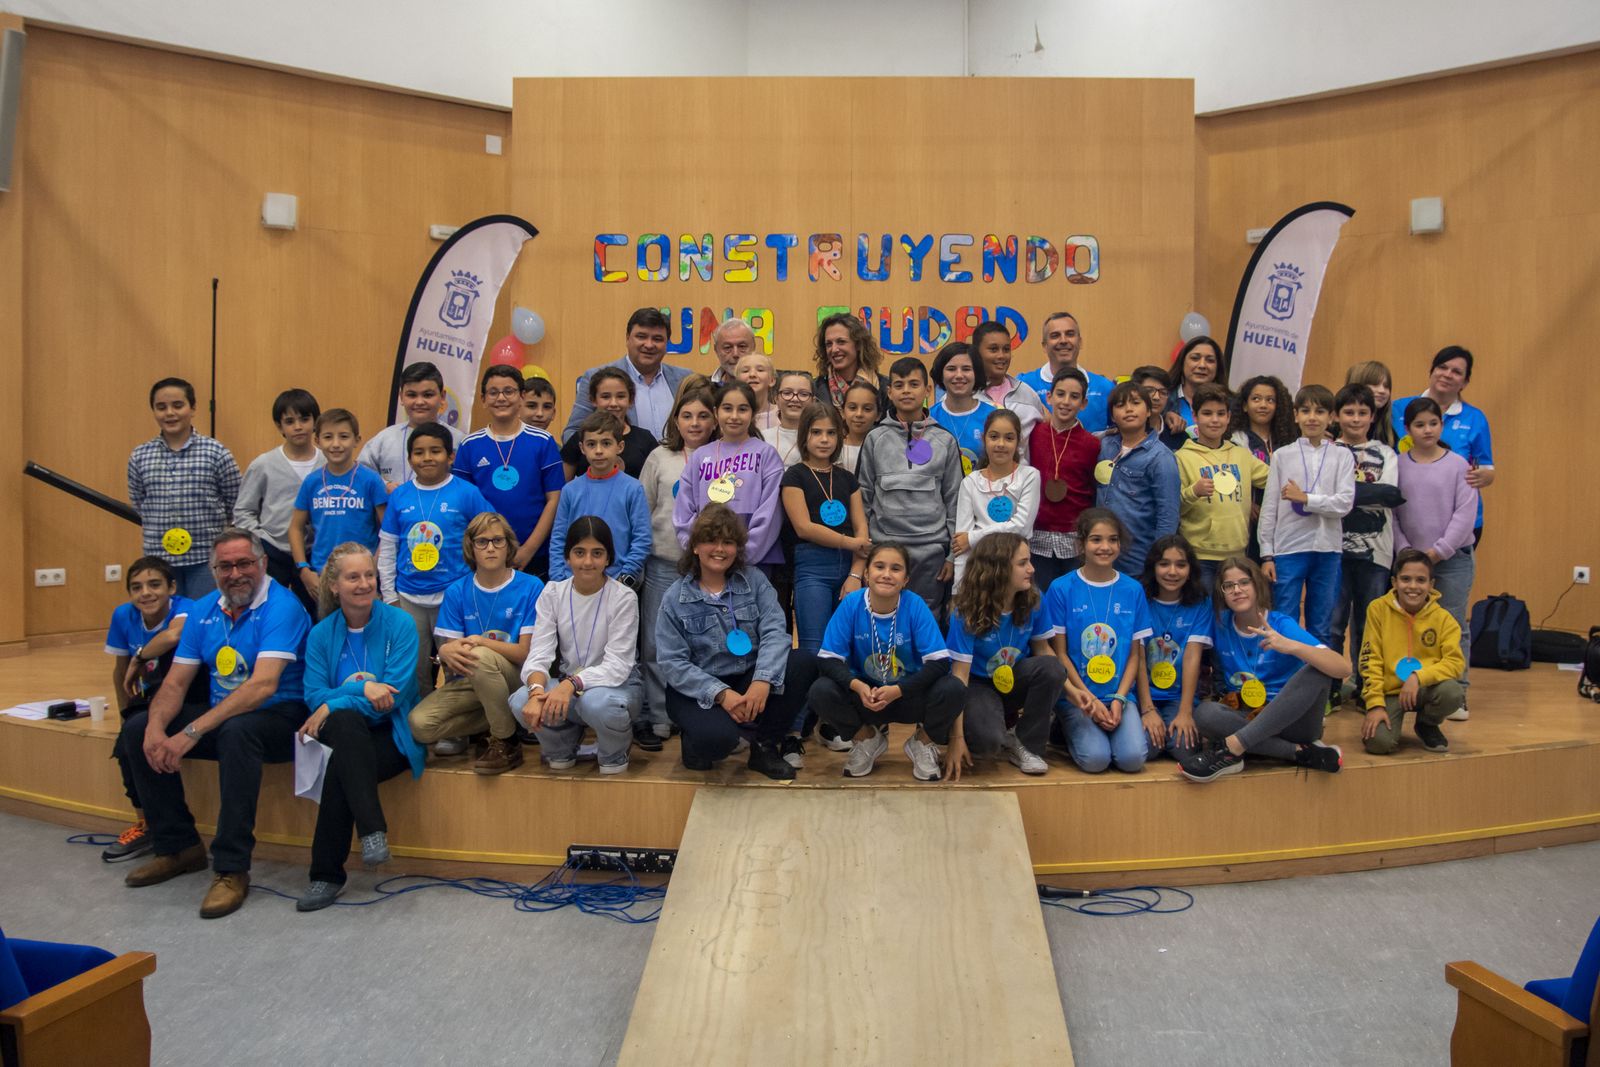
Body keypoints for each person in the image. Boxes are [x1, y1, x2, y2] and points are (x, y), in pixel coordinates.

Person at [119, 529, 312, 919]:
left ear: (261, 564)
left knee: (238, 733)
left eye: (244, 563)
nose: (235, 573)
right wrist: (158, 728)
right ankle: (178, 847)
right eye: (225, 566)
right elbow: (175, 682)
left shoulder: (282, 606)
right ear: (213, 570)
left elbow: (262, 686)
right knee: (137, 728)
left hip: (280, 715)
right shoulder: (205, 609)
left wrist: (191, 732)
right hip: (221, 716)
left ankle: (231, 868)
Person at [294, 542, 426, 912]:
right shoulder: (321, 634)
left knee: (343, 759)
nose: (365, 583)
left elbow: (395, 697)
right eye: (353, 577)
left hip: (391, 735)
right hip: (346, 733)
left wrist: (338, 699)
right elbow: (312, 695)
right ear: (334, 585)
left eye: (370, 575)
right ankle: (372, 831)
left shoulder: (399, 623)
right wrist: (363, 689)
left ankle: (325, 875)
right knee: (347, 726)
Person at [656, 505, 814, 779]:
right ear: (695, 546)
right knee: (717, 743)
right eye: (711, 540)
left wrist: (762, 681)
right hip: (696, 691)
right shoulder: (674, 598)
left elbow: (776, 632)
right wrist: (721, 694)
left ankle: (764, 748)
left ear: (738, 548)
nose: (719, 549)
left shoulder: (755, 581)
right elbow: (673, 663)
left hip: (748, 676)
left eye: (728, 542)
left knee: (804, 662)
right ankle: (695, 738)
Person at [1181, 556, 1350, 783]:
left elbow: (1343, 667)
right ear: (1222, 593)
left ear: (1257, 585)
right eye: (1228, 586)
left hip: (1292, 721)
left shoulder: (1281, 624)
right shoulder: (1220, 623)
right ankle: (1299, 752)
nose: (1237, 590)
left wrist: (1292, 646)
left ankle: (1234, 747)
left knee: (1318, 670)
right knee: (1205, 713)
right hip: (1247, 716)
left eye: (1244, 582)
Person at [809, 543, 965, 780]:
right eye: (879, 566)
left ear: (906, 580)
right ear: (866, 574)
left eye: (896, 569)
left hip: (907, 694)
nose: (886, 574)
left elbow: (939, 662)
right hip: (866, 696)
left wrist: (899, 690)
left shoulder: (914, 605)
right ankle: (867, 740)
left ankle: (922, 743)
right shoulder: (851, 604)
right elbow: (828, 660)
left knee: (953, 688)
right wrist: (857, 686)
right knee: (820, 690)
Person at [406, 512, 543, 771]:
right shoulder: (457, 591)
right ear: (471, 547)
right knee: (419, 724)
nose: (490, 548)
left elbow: (525, 653)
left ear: (508, 545)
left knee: (479, 657)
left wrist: (480, 642)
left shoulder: (531, 586)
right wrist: (446, 651)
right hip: (471, 678)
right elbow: (452, 653)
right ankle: (496, 721)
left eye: (497, 541)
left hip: (516, 679)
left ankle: (505, 741)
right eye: (482, 542)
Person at [511, 517, 643, 774]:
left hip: (616, 688)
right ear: (567, 557)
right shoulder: (552, 593)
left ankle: (615, 751)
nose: (587, 562)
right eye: (579, 552)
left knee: (595, 703)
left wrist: (570, 684)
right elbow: (539, 654)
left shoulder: (623, 597)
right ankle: (562, 745)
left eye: (597, 553)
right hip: (569, 689)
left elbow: (618, 666)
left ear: (608, 559)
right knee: (520, 700)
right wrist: (538, 692)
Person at [101, 557, 207, 863]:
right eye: (136, 587)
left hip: (188, 694)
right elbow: (121, 672)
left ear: (172, 587)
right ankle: (146, 822)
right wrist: (124, 713)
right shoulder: (123, 616)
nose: (145, 593)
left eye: (154, 584)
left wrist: (140, 655)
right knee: (127, 744)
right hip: (148, 699)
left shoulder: (186, 607)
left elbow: (174, 636)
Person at [377, 423, 493, 699]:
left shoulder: (466, 493)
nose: (427, 458)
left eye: (435, 451)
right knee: (413, 668)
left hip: (453, 596)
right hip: (407, 598)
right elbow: (389, 548)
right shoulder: (400, 496)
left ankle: (455, 733)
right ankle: (420, 726)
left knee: (457, 665)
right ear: (409, 459)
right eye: (418, 452)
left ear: (450, 456)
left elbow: (491, 533)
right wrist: (390, 596)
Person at [944, 534, 1066, 780]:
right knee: (987, 745)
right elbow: (959, 678)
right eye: (1022, 563)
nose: (1031, 569)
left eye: (1029, 561)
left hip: (1014, 678)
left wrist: (1076, 693)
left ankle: (1027, 744)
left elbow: (1045, 652)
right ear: (998, 568)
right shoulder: (966, 610)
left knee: (1052, 668)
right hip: (977, 685)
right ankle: (991, 728)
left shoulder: (1033, 598)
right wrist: (955, 739)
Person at [638, 381, 717, 751]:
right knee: (655, 643)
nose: (695, 423)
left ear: (715, 420)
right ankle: (659, 715)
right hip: (664, 564)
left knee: (703, 645)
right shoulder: (659, 458)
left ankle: (697, 712)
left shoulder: (724, 458)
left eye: (703, 415)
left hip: (709, 570)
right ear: (676, 420)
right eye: (687, 416)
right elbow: (643, 510)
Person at [1045, 508, 1152, 774]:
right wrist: (1089, 699)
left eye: (1112, 539)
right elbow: (1060, 654)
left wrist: (1119, 698)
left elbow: (1135, 656)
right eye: (1096, 539)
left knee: (1133, 759)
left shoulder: (1133, 590)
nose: (1105, 547)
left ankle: (1114, 720)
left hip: (1118, 694)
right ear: (1081, 544)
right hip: (1079, 696)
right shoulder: (1061, 588)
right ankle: (1062, 726)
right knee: (1096, 760)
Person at [1392, 396, 1479, 719]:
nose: (1427, 430)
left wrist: (1436, 552)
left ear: (1441, 426)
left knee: (1453, 624)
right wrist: (1407, 554)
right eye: (1419, 424)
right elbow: (1395, 515)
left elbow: (1464, 514)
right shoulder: (1399, 465)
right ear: (1408, 428)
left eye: (1433, 423)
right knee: (1408, 626)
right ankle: (1408, 689)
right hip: (1411, 561)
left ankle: (1458, 692)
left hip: (1452, 559)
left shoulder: (1458, 465)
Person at [856, 357, 963, 618]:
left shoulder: (945, 440)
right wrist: (866, 551)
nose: (906, 390)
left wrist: (951, 557)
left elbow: (955, 502)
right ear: (889, 392)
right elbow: (863, 497)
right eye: (899, 385)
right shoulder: (875, 438)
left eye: (914, 384)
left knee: (927, 618)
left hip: (932, 553)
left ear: (928, 390)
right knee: (881, 615)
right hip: (885, 548)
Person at [1258, 385, 1355, 652]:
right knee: (1284, 622)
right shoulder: (1282, 456)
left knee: (1321, 624)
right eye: (1306, 411)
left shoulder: (1342, 456)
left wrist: (1307, 499)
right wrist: (1267, 554)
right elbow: (1270, 509)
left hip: (1328, 549)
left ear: (1331, 417)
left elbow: (1344, 503)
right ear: (1295, 415)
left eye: (1320, 411)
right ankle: (1283, 686)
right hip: (1289, 548)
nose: (1313, 417)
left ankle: (1317, 690)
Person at [129, 377, 243, 600]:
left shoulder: (216, 452)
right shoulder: (140, 456)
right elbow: (139, 503)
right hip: (159, 559)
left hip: (206, 558)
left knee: (204, 621)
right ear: (153, 411)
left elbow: (235, 501)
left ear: (193, 408)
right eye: (161, 407)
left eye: (177, 405)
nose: (169, 413)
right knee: (165, 620)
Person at [455, 366, 565, 578]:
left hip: (535, 555)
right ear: (483, 399)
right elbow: (462, 504)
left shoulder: (542, 442)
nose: (501, 398)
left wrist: (528, 550)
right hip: (484, 554)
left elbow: (554, 499)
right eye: (493, 392)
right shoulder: (469, 445)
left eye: (509, 391)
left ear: (522, 396)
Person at [1331, 382, 1402, 705]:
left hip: (1377, 551)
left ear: (1373, 417)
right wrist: (1357, 495)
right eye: (1349, 412)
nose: (1356, 419)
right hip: (1332, 550)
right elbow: (1324, 496)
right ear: (1337, 415)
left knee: (1369, 623)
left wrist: (1341, 495)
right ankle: (1329, 687)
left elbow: (1391, 495)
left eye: (1362, 412)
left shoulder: (1385, 453)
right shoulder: (1329, 451)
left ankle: (1366, 686)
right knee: (1333, 623)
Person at [1358, 548, 1466, 755]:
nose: (1413, 586)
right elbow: (1369, 659)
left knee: (1452, 693)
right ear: (1394, 582)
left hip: (1424, 688)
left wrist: (1418, 677)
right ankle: (1385, 718)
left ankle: (1427, 723)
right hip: (1391, 692)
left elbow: (1455, 663)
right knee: (1378, 744)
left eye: (1420, 580)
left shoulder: (1444, 619)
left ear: (1431, 585)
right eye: (1406, 579)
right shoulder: (1377, 609)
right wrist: (1375, 705)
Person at [782, 401, 870, 655]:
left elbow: (861, 530)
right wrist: (849, 542)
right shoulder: (794, 476)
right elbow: (803, 528)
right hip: (812, 568)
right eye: (816, 432)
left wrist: (855, 575)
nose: (824, 439)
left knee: (849, 645)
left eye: (831, 433)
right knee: (814, 646)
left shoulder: (847, 478)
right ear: (804, 435)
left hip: (849, 567)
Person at [673, 381, 785, 569]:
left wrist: (743, 554)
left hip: (754, 563)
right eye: (727, 408)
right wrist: (701, 549)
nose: (734, 416)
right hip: (706, 561)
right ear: (716, 413)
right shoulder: (700, 455)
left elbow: (770, 512)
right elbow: (683, 510)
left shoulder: (766, 455)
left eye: (742, 409)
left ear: (753, 413)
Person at [234, 388, 324, 612]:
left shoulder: (327, 463)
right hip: (273, 551)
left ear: (315, 421)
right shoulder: (263, 464)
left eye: (304, 419)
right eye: (290, 421)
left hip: (315, 552)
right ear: (279, 426)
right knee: (268, 610)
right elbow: (243, 511)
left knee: (316, 611)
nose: (298, 426)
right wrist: (260, 540)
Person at [289, 409, 387, 612]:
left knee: (364, 631)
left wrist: (375, 566)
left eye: (343, 436)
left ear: (357, 440)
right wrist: (303, 569)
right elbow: (295, 528)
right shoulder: (312, 481)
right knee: (329, 633)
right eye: (328, 437)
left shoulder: (370, 480)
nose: (336, 444)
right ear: (317, 440)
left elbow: (387, 530)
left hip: (362, 575)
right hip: (322, 574)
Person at [1391, 345, 1493, 540]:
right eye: (1442, 367)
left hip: (1460, 523)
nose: (1447, 374)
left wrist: (1485, 476)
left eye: (1456, 372)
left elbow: (1487, 469)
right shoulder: (1398, 409)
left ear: (1465, 381)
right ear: (1432, 371)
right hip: (1408, 521)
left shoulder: (1475, 418)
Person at [1175, 383, 1268, 590]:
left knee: (1232, 611)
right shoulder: (1182, 457)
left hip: (1237, 553)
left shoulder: (1241, 455)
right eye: (1207, 413)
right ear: (1195, 416)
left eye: (1220, 413)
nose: (1214, 420)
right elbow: (1174, 507)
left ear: (1228, 417)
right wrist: (1193, 492)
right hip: (1199, 554)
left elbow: (1273, 480)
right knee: (1204, 610)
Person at [549, 412, 652, 587]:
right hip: (573, 582)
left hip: (617, 583)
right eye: (591, 444)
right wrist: (559, 578)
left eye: (606, 443)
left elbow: (642, 538)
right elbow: (559, 538)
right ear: (582, 448)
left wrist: (626, 576)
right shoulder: (570, 490)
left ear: (619, 447)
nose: (598, 450)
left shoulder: (633, 489)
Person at [1134, 534, 1211, 764]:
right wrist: (1147, 710)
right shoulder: (1138, 596)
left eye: (1181, 565)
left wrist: (1185, 712)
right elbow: (1136, 656)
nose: (1172, 572)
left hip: (1178, 696)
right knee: (1148, 747)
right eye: (1164, 564)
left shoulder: (1200, 602)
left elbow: (1192, 656)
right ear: (1153, 567)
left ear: (1190, 569)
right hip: (1141, 695)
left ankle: (1171, 726)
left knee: (1183, 749)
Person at [562, 307, 693, 441]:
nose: (649, 344)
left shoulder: (685, 379)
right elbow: (572, 433)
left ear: (666, 343)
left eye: (657, 339)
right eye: (641, 337)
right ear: (627, 338)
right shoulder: (596, 377)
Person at [1095, 380, 1180, 577]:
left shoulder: (1161, 457)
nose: (1129, 410)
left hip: (1139, 559)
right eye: (1120, 405)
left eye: (1135, 403)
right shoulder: (1105, 446)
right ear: (1113, 416)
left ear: (1149, 411)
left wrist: (1159, 559)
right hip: (1102, 553)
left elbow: (1168, 516)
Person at [1027, 368, 1100, 593]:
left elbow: (1094, 491)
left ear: (1084, 403)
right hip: (1037, 536)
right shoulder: (1034, 433)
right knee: (1040, 602)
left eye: (1074, 396)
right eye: (1060, 394)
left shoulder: (1093, 444)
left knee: (1073, 600)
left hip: (1074, 540)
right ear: (1049, 397)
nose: (1066, 402)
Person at [953, 409, 1040, 590]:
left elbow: (1021, 527)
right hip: (980, 572)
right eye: (994, 437)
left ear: (1019, 441)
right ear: (984, 439)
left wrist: (974, 537)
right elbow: (961, 544)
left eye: (1009, 438)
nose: (1001, 444)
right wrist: (958, 590)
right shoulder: (970, 482)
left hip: (1016, 571)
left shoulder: (1029, 476)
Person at [359, 362, 465, 492]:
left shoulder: (459, 441)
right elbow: (359, 474)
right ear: (401, 397)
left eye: (427, 395)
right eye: (412, 395)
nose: (419, 402)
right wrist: (384, 486)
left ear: (442, 397)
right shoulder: (383, 440)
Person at [1228, 374, 1296, 560]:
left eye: (1270, 400)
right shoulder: (1236, 440)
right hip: (1249, 520)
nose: (1263, 405)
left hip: (1285, 519)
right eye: (1256, 399)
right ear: (1244, 405)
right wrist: (1247, 504)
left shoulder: (1289, 442)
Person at [1017, 311, 1113, 433]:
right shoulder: (1024, 385)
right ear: (1044, 346)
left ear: (1080, 342)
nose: (1063, 340)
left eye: (1070, 334)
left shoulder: (1104, 388)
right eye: (1055, 335)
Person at [560, 366, 661, 479]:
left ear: (631, 399)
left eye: (620, 396)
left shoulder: (645, 439)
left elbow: (655, 485)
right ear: (593, 400)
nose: (613, 403)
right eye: (605, 396)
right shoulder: (580, 438)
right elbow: (562, 486)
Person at [972, 320, 1046, 456]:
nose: (1001, 356)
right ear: (976, 353)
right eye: (993, 349)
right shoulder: (964, 396)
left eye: (1006, 349)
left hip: (1021, 476)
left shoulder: (1027, 394)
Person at [928, 341, 997, 476]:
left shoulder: (994, 417)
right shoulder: (928, 418)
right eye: (951, 369)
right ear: (941, 374)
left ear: (976, 374)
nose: (959, 375)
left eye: (966, 369)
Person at [814, 311, 889, 409]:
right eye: (829, 344)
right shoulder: (815, 389)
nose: (834, 349)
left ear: (858, 345)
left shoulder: (885, 388)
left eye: (841, 342)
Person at [1164, 335, 1228, 434]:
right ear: (1182, 362)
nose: (1202, 365)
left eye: (1210, 360)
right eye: (1195, 358)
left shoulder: (1231, 403)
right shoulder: (1163, 399)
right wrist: (1162, 417)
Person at [1130, 365, 1189, 451]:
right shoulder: (1124, 432)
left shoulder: (1178, 434)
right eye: (1149, 391)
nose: (1156, 397)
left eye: (1163, 392)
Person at [764, 369, 815, 467]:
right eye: (787, 393)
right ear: (776, 398)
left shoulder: (820, 439)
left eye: (803, 394)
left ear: (813, 401)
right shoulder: (761, 438)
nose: (795, 399)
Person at [1344, 360, 1394, 447]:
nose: (1382, 391)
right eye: (1375, 384)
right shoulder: (1332, 429)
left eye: (1386, 386)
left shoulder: (1389, 430)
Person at [838, 379, 880, 474]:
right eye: (852, 408)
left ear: (878, 415)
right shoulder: (834, 447)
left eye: (867, 409)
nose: (859, 414)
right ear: (842, 412)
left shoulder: (882, 449)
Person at [735, 350, 779, 433]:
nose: (752, 374)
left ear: (772, 380)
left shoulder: (781, 414)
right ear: (737, 381)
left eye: (760, 370)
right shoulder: (730, 415)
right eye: (745, 371)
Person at [709, 317, 758, 386]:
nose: (735, 354)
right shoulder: (705, 390)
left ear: (753, 347)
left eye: (742, 346)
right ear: (716, 350)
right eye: (727, 347)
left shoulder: (771, 388)